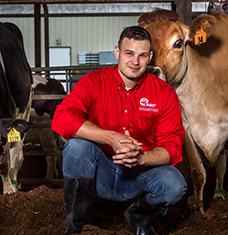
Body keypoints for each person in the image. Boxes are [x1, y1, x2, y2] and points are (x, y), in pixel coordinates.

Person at [52, 26, 187, 235]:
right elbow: (62, 117)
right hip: (101, 172)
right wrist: (111, 138)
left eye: (142, 55)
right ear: (117, 52)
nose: (135, 61)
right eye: (129, 53)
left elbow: (172, 146)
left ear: (150, 57)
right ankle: (76, 227)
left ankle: (139, 216)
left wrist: (140, 158)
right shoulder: (93, 81)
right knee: (76, 147)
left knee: (175, 183)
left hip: (139, 176)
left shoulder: (164, 93)